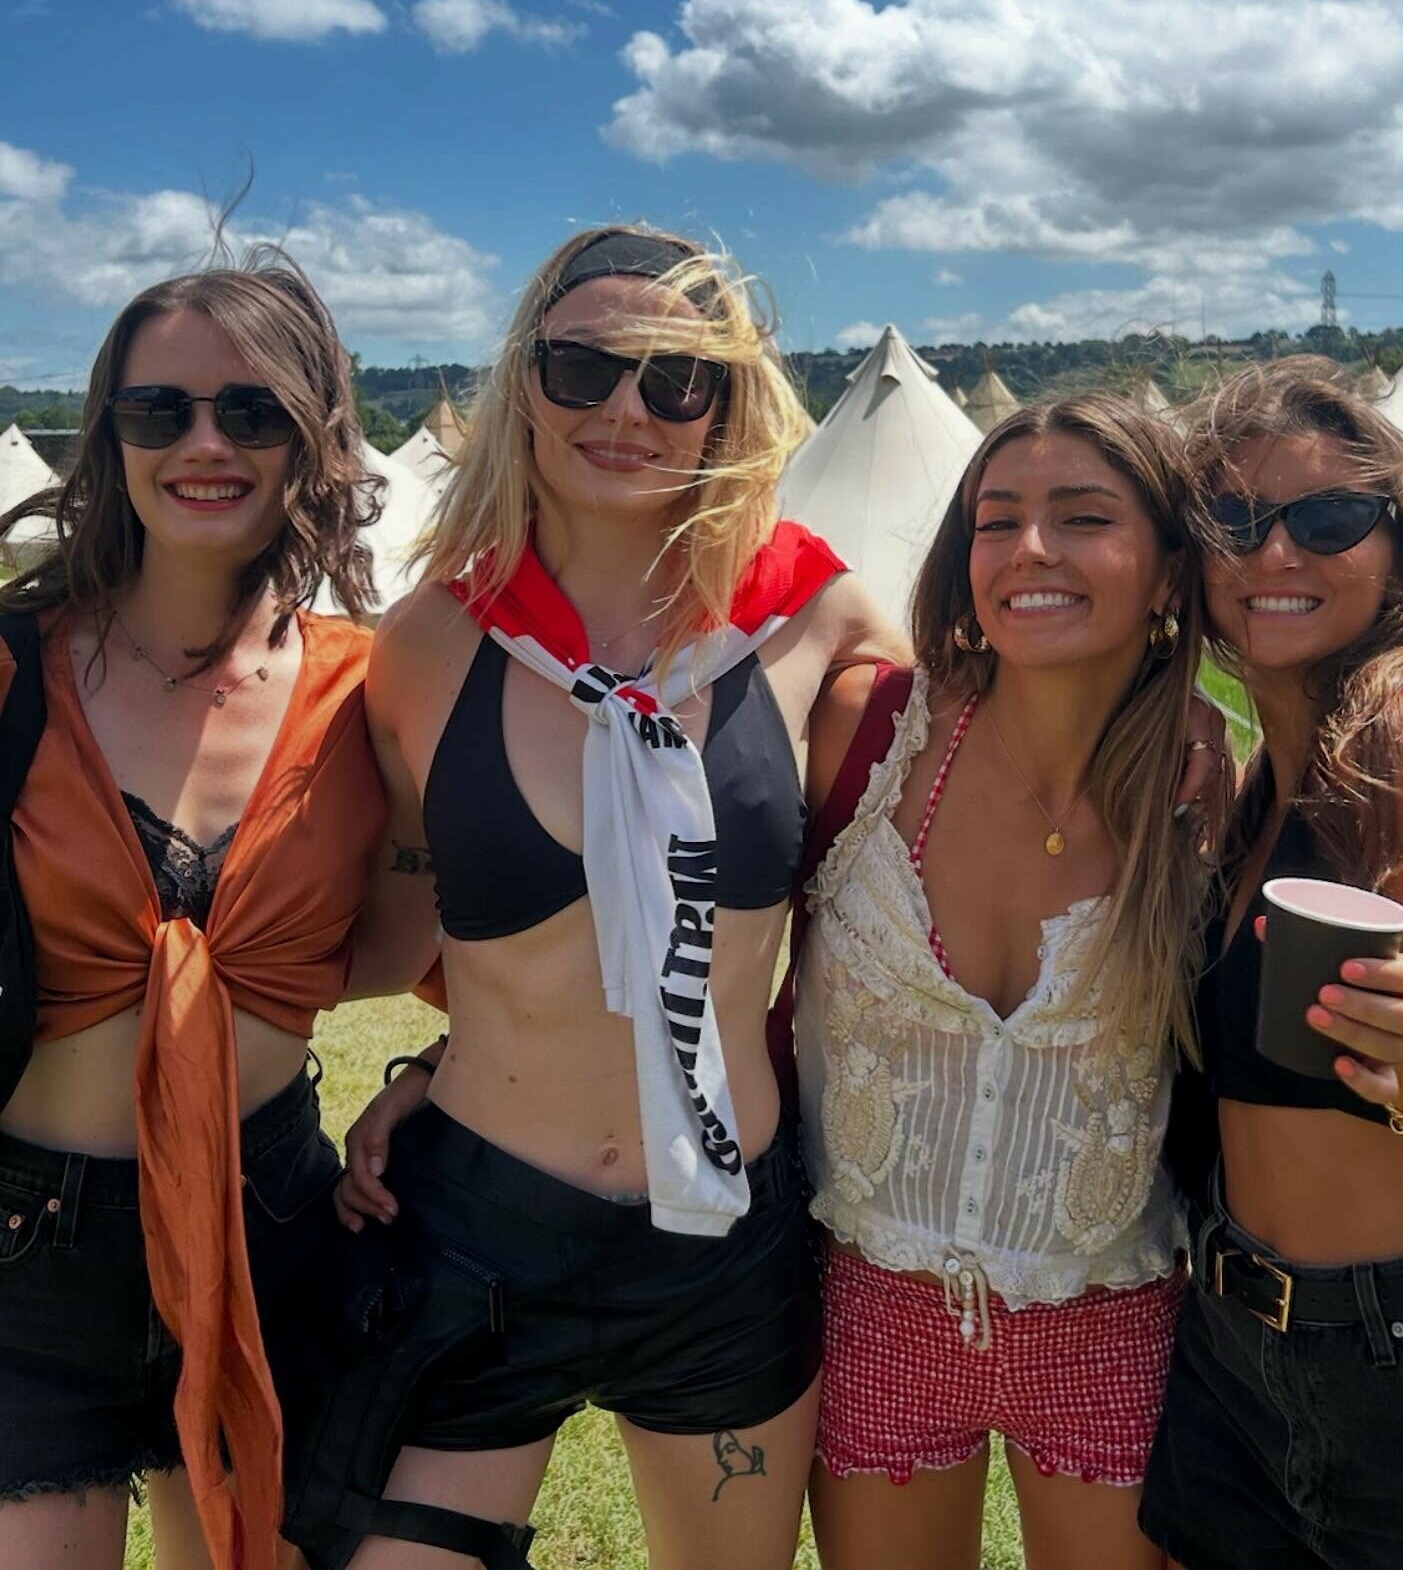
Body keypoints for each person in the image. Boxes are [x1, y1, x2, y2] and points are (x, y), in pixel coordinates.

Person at [287, 227, 898, 1570]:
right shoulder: (430, 642)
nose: (627, 408)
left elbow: (992, 782)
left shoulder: (818, 619)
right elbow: (405, 927)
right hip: (475, 1227)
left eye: (677, 380)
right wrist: (425, 1059)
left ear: (727, 409)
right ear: (525, 380)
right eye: (585, 368)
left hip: (721, 1236)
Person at [0, 251, 435, 1570]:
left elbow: (438, 949)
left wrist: (431, 1066)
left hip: (275, 1225)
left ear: (313, 438)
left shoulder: (371, 693)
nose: (204, 443)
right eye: (160, 409)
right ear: (110, 434)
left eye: (250, 410)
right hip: (31, 1250)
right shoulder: (12, 669)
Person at [795, 395, 1224, 1570]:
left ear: (1169, 570)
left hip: (1114, 1319)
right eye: (998, 520)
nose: (1031, 548)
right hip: (870, 1304)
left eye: (1083, 516)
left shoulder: (1205, 799)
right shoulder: (862, 733)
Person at [1140, 360, 1403, 1570]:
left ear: (1400, 545)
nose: (1274, 552)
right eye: (1233, 520)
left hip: (1389, 1355)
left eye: (1328, 519)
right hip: (1233, 1336)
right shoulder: (1268, 772)